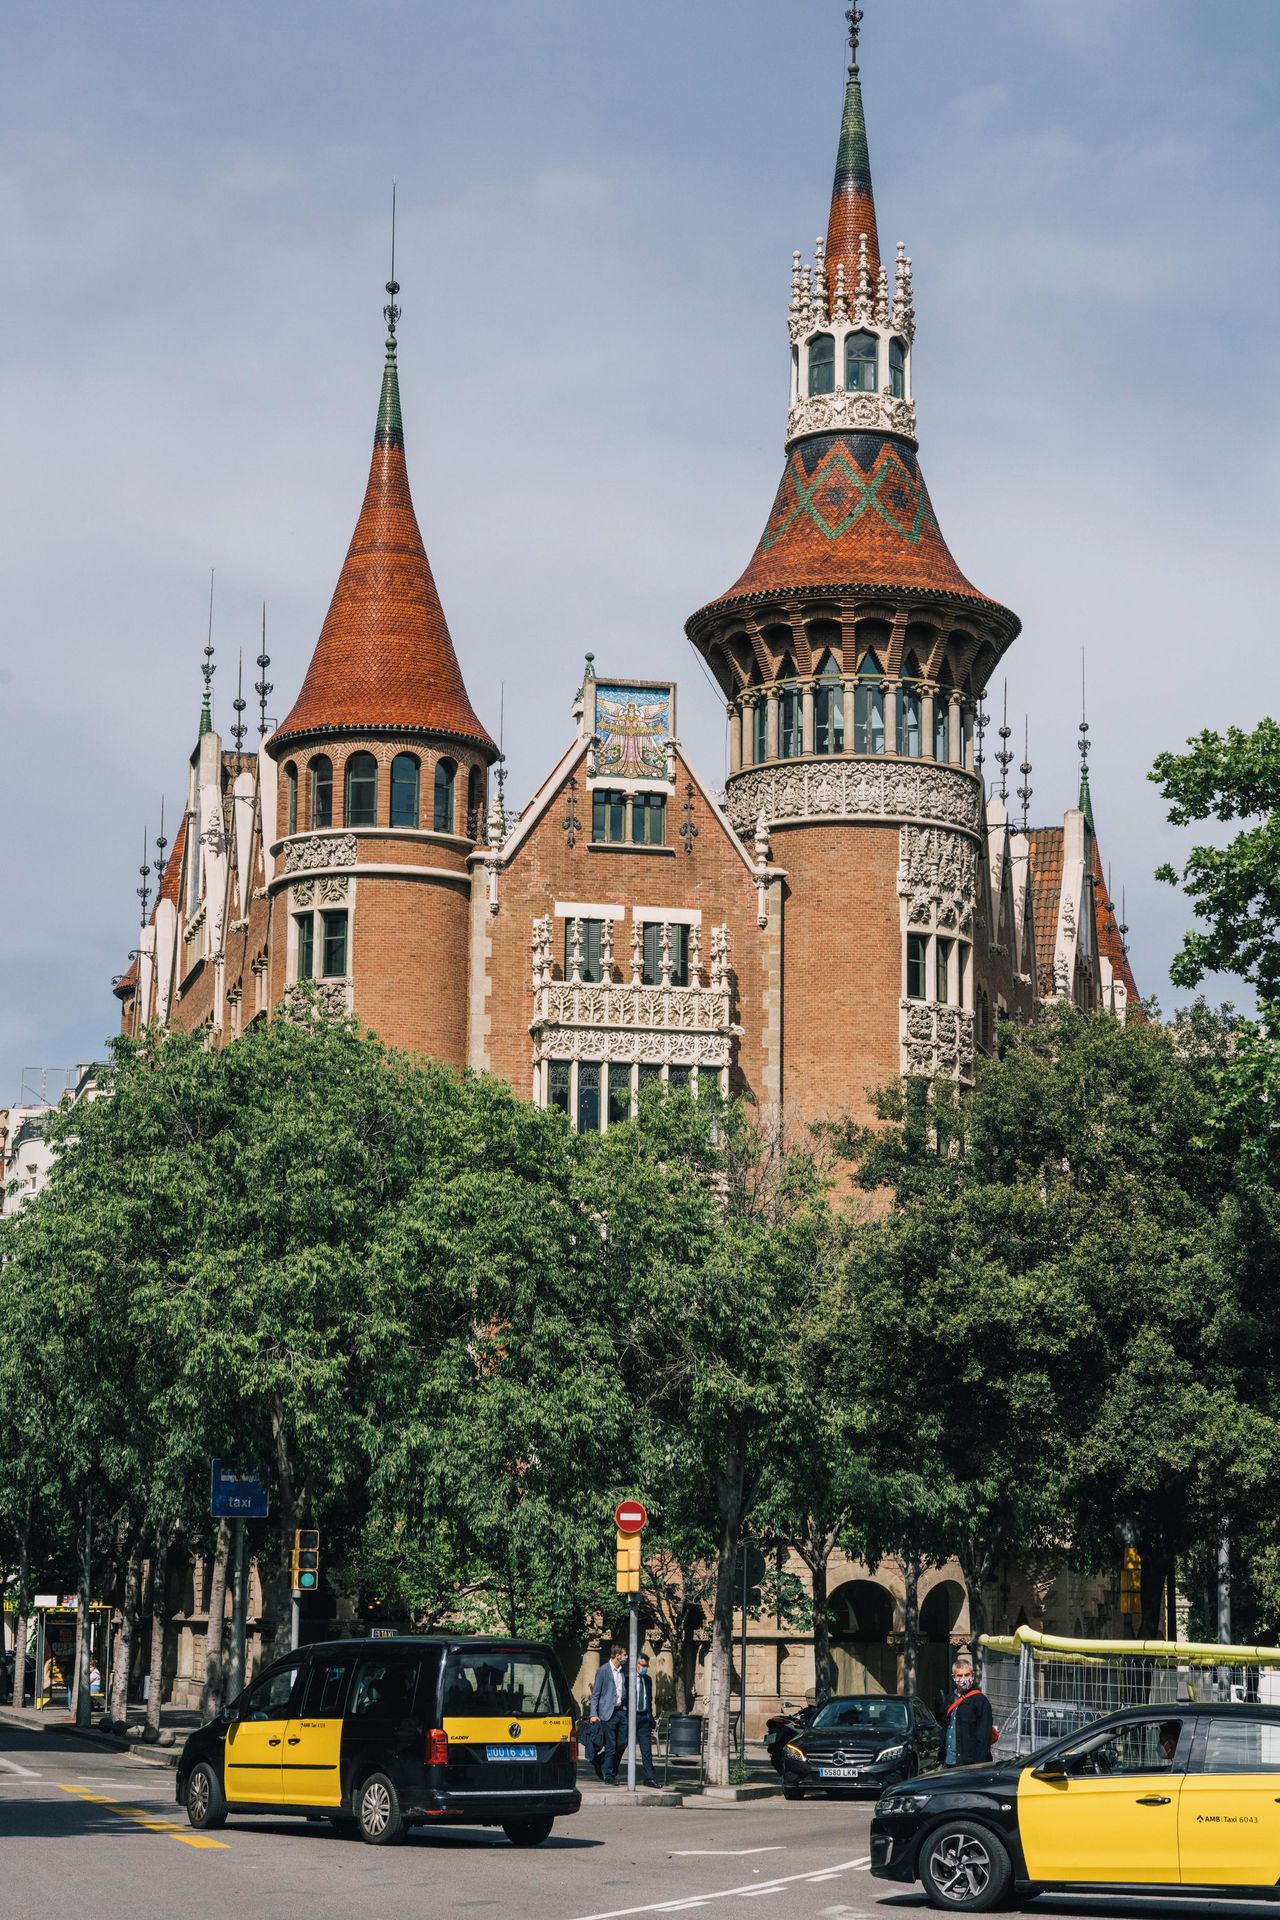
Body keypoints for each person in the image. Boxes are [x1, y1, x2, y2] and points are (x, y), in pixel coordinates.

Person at [935, 1651, 993, 1768]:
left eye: (967, 1675)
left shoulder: (980, 1701)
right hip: (949, 1761)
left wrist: (978, 1766)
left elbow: (984, 1737)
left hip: (968, 1764)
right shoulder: (949, 1699)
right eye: (959, 1676)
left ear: (972, 1675)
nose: (963, 1679)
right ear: (953, 1677)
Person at [588, 1645, 628, 1784]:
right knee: (611, 1745)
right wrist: (593, 1713)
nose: (625, 1657)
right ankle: (610, 1775)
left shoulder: (622, 1672)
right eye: (624, 1655)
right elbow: (595, 1694)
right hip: (607, 1713)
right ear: (617, 1655)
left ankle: (599, 1760)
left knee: (622, 1743)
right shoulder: (603, 1671)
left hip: (620, 1712)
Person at [626, 1653, 658, 1788]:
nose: (645, 1668)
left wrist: (650, 1717)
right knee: (620, 1744)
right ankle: (610, 1772)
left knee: (646, 1750)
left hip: (644, 1717)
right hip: (630, 1718)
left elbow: (648, 1699)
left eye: (647, 1665)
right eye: (643, 1665)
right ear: (636, 1665)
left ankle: (649, 1778)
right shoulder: (628, 1679)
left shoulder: (648, 1680)